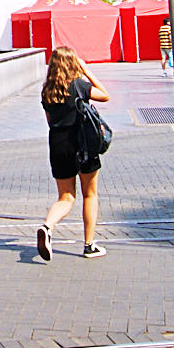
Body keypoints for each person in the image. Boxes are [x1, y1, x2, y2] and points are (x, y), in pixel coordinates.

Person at [35, 46, 110, 261]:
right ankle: (89, 245)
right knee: (90, 194)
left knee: (66, 197)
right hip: (83, 142)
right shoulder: (79, 86)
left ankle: (47, 226)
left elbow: (50, 122)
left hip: (58, 144)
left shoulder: (47, 90)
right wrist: (87, 72)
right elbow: (105, 95)